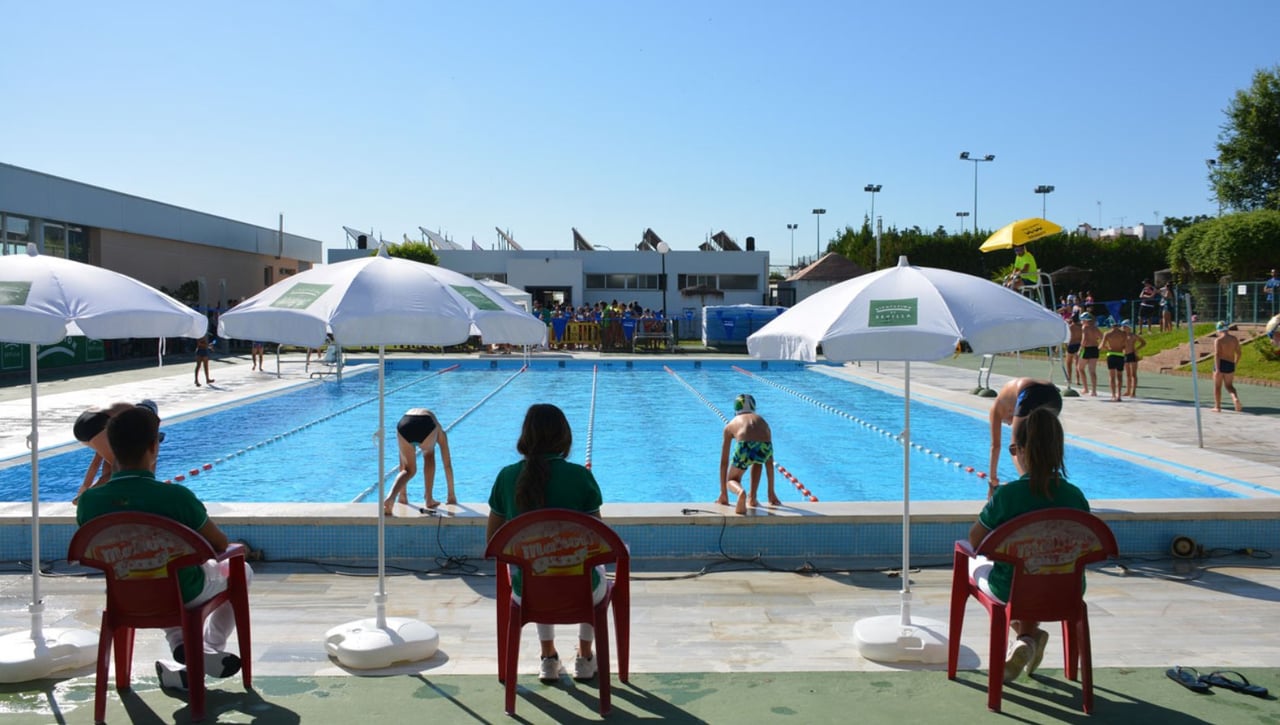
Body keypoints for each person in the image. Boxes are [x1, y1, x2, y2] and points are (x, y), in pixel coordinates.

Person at [76, 405, 250, 690]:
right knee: (239, 568)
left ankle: (183, 647)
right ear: (153, 447)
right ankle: (208, 649)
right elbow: (219, 544)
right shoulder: (176, 497)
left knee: (154, 571)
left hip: (124, 594)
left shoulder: (89, 503)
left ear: (113, 449)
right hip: (184, 591)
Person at [969, 407, 1090, 683]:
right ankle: (1028, 636)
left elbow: (976, 541)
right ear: (1058, 450)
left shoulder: (1008, 496)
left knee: (972, 560)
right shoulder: (1075, 496)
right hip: (1066, 589)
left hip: (1011, 589)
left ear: (1022, 450)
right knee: (1036, 568)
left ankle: (1027, 636)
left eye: (1013, 449)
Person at [486, 403, 604, 683]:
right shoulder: (580, 477)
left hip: (527, 592)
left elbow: (493, 541)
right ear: (564, 437)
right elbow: (598, 540)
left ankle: (548, 658)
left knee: (535, 567)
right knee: (586, 569)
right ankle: (585, 657)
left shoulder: (506, 477)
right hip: (583, 591)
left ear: (526, 436)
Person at [71, 400, 157, 504]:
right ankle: (85, 498)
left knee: (114, 461)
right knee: (124, 467)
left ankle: (91, 495)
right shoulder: (139, 418)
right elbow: (149, 462)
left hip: (81, 424)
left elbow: (96, 462)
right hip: (97, 423)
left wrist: (85, 486)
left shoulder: (126, 412)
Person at [987, 378, 1062, 491]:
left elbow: (995, 446)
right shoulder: (1009, 398)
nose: (1009, 424)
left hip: (1031, 393)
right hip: (1054, 396)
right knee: (1043, 441)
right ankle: (1050, 482)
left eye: (1005, 422)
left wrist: (993, 480)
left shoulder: (995, 409)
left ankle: (1027, 484)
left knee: (1015, 448)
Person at [384, 408, 456, 515]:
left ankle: (391, 497)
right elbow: (447, 465)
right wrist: (451, 495)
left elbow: (401, 464)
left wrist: (403, 496)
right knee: (429, 455)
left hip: (404, 423)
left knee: (408, 470)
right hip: (426, 423)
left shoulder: (430, 421)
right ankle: (429, 499)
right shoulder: (440, 432)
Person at [717, 394, 780, 515]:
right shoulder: (763, 422)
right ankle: (752, 498)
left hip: (744, 446)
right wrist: (771, 493)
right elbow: (769, 461)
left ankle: (741, 492)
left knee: (732, 479)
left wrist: (723, 493)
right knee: (758, 461)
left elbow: (724, 462)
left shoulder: (731, 424)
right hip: (764, 447)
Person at [1213, 321, 1243, 412]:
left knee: (1217, 386)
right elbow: (1239, 353)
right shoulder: (1234, 339)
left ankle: (1217, 406)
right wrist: (1235, 364)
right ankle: (1234, 398)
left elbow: (1217, 354)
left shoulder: (1218, 340)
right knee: (1229, 386)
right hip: (1230, 364)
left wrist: (1217, 369)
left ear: (1218, 329)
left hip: (1220, 364)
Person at [1100, 321, 1128, 402]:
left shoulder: (1108, 333)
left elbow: (1102, 345)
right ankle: (1119, 395)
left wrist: (1108, 348)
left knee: (1112, 376)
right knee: (1119, 376)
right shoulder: (1123, 333)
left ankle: (1113, 395)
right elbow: (1125, 345)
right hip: (1120, 354)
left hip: (1111, 354)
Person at [1077, 312, 1102, 396]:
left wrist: (1080, 349)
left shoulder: (1085, 327)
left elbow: (1084, 339)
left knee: (1080, 368)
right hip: (1094, 349)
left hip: (1087, 349)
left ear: (1085, 320)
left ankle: (1086, 388)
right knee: (1092, 371)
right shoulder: (1095, 328)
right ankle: (1094, 391)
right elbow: (1101, 337)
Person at [1122, 321, 1147, 398]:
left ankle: (1133, 391)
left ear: (1128, 327)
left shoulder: (1133, 336)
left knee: (1133, 374)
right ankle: (1128, 390)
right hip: (1125, 355)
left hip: (1132, 355)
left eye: (1124, 327)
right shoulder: (1122, 336)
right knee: (1127, 374)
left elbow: (1143, 342)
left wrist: (1136, 349)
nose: (1123, 328)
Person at [1065, 313, 1082, 388]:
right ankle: (1078, 380)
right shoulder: (1081, 327)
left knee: (1068, 363)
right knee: (1077, 363)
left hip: (1071, 345)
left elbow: (1067, 336)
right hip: (1078, 344)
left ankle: (1069, 378)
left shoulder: (1070, 327)